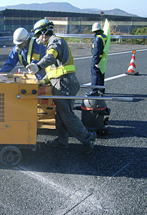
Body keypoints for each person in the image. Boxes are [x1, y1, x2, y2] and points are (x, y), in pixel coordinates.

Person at [26, 19, 96, 154]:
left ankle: (88, 138)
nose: (37, 38)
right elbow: (53, 72)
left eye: (38, 34)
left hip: (65, 83)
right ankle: (62, 141)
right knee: (60, 114)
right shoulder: (51, 44)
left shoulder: (55, 41)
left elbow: (51, 57)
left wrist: (38, 66)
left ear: (44, 32)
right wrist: (42, 82)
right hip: (61, 82)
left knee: (67, 115)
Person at [89, 22, 107, 95]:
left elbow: (96, 51)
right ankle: (101, 89)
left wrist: (95, 61)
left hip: (97, 58)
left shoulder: (97, 38)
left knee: (95, 75)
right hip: (103, 58)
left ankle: (94, 90)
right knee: (101, 74)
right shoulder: (104, 36)